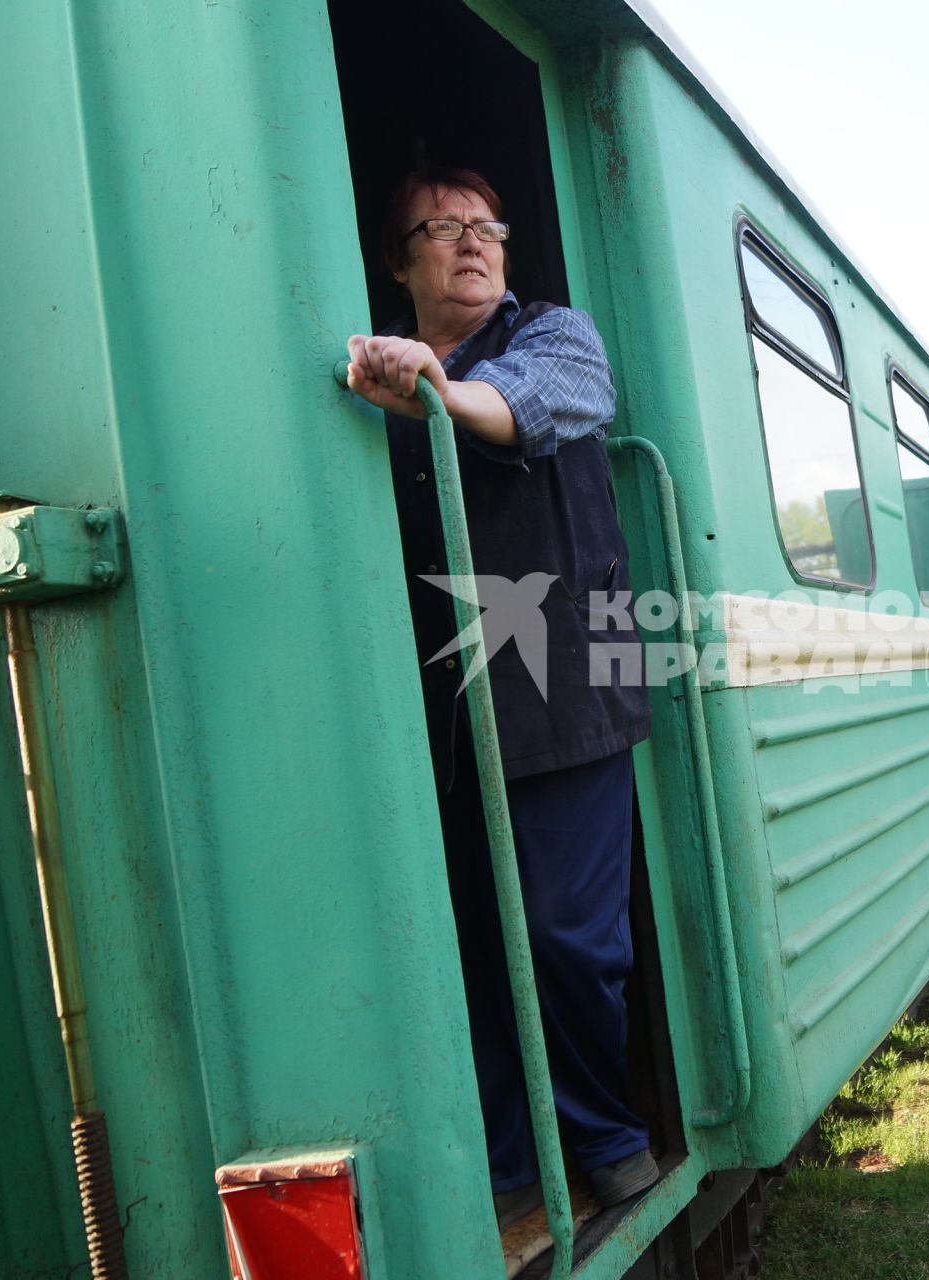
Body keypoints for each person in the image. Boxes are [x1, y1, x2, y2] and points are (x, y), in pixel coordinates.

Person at [345, 166, 658, 1228]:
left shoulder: (557, 337)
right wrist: (406, 377)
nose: (473, 244)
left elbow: (527, 406)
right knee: (467, 934)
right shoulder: (374, 373)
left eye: (488, 227)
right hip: (444, 691)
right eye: (441, 228)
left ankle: (607, 1139)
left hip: (578, 671)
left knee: (570, 932)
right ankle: (509, 1162)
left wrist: (433, 385)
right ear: (401, 261)